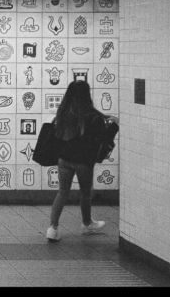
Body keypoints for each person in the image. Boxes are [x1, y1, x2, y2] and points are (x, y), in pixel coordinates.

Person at [46, 80, 119, 242]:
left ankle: (52, 228)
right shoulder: (93, 116)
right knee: (85, 193)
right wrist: (115, 124)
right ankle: (87, 224)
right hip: (83, 161)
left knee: (62, 192)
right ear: (87, 95)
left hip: (64, 159)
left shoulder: (63, 113)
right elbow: (104, 138)